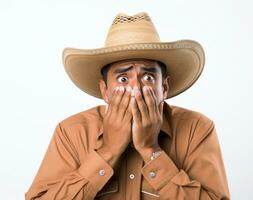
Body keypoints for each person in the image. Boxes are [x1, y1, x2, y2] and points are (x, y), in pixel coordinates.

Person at [25, 12, 230, 200]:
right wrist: (108, 151)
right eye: (123, 79)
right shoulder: (71, 132)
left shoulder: (197, 129)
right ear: (105, 91)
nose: (137, 89)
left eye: (148, 77)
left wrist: (151, 151)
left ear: (164, 87)